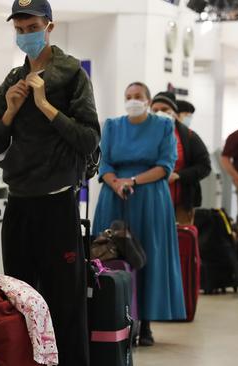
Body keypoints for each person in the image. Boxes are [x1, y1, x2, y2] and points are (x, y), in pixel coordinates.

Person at [0, 0, 100, 364]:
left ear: (49, 26)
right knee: (19, 299)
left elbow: (88, 138)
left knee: (65, 302)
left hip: (57, 203)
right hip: (19, 202)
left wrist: (46, 105)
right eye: (19, 30)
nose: (25, 36)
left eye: (32, 28)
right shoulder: (10, 82)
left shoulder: (71, 74)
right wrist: (11, 111)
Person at [93, 82, 186, 347]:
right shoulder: (112, 125)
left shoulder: (164, 126)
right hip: (114, 195)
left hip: (150, 198)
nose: (133, 100)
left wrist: (132, 181)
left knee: (148, 256)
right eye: (128, 97)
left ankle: (145, 324)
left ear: (147, 99)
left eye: (138, 97)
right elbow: (106, 162)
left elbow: (165, 165)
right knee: (110, 254)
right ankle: (113, 318)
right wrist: (117, 183)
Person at [150, 93, 211, 225]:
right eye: (155, 110)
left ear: (174, 112)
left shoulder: (189, 136)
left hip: (181, 203)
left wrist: (178, 175)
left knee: (181, 241)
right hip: (150, 202)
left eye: (165, 109)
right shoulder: (143, 135)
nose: (159, 113)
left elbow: (205, 166)